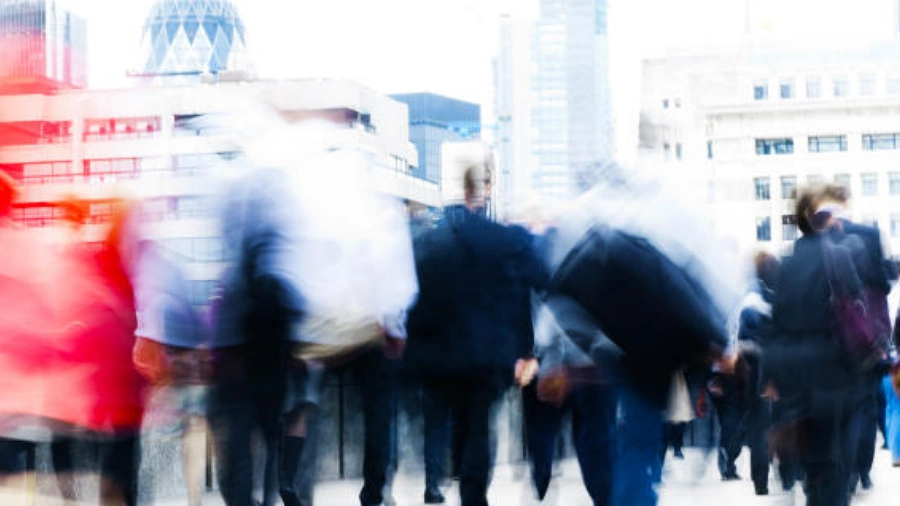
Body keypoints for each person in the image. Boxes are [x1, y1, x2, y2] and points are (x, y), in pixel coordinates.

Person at [406, 144, 546, 506]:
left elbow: (416, 303)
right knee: (478, 428)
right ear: (483, 191)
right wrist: (524, 348)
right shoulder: (504, 241)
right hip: (487, 355)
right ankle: (473, 494)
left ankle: (444, 479)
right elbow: (528, 289)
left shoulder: (429, 243)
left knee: (447, 421)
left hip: (440, 356)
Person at [766, 187, 865, 506]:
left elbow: (775, 320)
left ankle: (811, 488)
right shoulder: (838, 254)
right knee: (835, 453)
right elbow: (855, 301)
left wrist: (769, 375)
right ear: (828, 221)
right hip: (830, 366)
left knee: (811, 450)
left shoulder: (787, 262)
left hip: (791, 367)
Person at [818, 184, 891, 494]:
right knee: (864, 406)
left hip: (828, 339)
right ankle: (862, 471)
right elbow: (883, 285)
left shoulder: (814, 241)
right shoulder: (869, 236)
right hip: (865, 336)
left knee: (837, 409)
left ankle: (841, 473)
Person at [132, 239, 210, 506]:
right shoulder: (181, 297)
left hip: (167, 387)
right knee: (194, 441)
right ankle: (194, 499)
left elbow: (144, 350)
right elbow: (201, 338)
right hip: (194, 384)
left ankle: (146, 500)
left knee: (150, 448)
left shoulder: (153, 301)